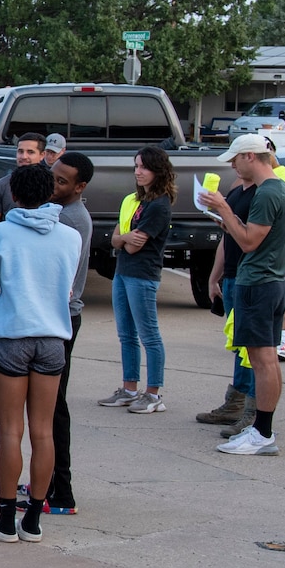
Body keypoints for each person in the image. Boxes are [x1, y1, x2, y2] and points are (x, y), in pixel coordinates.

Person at [0, 163, 80, 543]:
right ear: (51, 191)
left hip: (11, 335)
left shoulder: (1, 233)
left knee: (10, 431)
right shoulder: (70, 236)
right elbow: (67, 287)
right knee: (43, 432)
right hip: (53, 338)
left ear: (14, 195)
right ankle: (33, 520)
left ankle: (4, 521)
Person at [201, 134, 285, 456]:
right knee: (266, 360)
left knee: (263, 361)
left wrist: (224, 208)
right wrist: (225, 216)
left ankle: (263, 433)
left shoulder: (269, 192)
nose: (232, 164)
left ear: (251, 157)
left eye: (235, 158)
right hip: (269, 283)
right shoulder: (279, 189)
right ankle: (261, 430)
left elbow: (248, 242)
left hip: (258, 284)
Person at [97, 146, 174, 415]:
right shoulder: (135, 201)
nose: (138, 172)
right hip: (123, 272)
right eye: (136, 166)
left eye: (143, 167)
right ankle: (129, 389)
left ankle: (153, 394)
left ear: (157, 170)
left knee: (149, 335)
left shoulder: (159, 205)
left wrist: (123, 239)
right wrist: (123, 238)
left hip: (142, 275)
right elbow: (117, 237)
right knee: (126, 334)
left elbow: (132, 245)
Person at [42, 152, 94, 515]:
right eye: (52, 176)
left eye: (62, 181)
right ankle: (47, 481)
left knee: (54, 408)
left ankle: (63, 491)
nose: (54, 184)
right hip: (55, 318)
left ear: (80, 187)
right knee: (47, 408)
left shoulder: (71, 219)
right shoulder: (57, 210)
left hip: (62, 320)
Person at [0, 132, 46, 390]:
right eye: (20, 152)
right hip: (10, 264)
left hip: (40, 265)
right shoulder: (2, 186)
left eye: (30, 152)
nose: (24, 157)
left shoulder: (49, 185)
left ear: (43, 155)